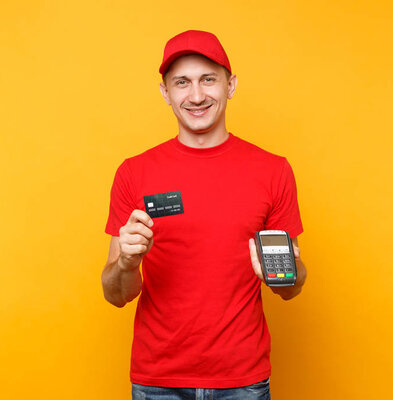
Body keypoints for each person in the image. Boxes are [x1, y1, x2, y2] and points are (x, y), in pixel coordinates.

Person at [101, 29, 307, 400]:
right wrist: (128, 264)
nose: (196, 96)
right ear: (165, 92)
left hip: (243, 380)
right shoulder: (133, 173)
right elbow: (115, 294)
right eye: (182, 82)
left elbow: (291, 288)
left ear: (231, 85)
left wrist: (283, 273)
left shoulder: (273, 170)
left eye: (208, 79)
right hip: (157, 381)